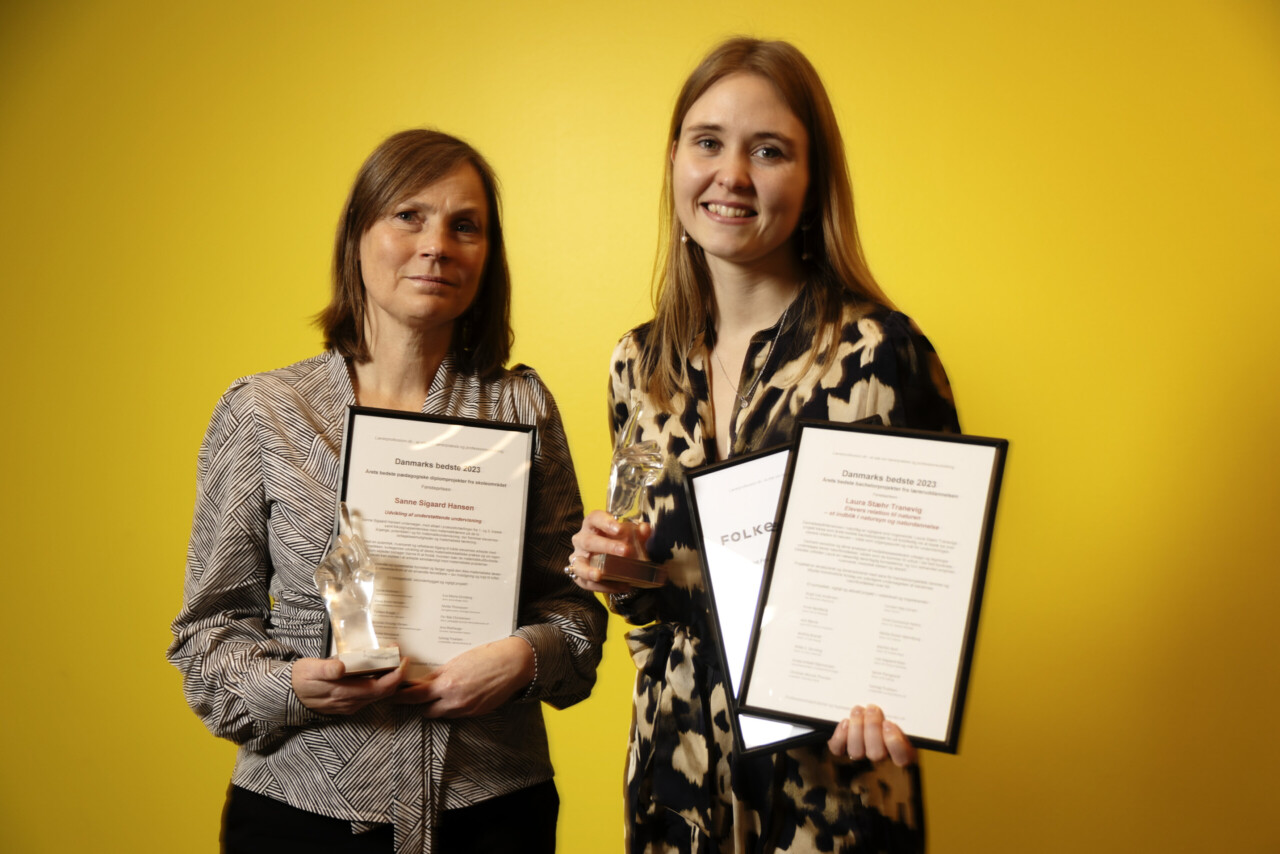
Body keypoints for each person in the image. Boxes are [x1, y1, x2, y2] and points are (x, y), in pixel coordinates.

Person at [568, 38, 959, 853]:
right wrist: (627, 573)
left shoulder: (880, 354)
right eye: (708, 142)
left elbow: (920, 598)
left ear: (813, 179)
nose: (732, 175)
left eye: (769, 150)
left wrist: (894, 693)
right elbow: (653, 618)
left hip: (828, 794)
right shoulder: (637, 364)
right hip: (674, 780)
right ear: (674, 158)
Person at [168, 129, 607, 854]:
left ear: (487, 256)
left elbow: (576, 615)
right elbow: (207, 637)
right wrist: (295, 687)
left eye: (465, 226)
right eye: (409, 215)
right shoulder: (264, 412)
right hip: (302, 816)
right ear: (357, 238)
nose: (438, 244)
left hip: (496, 812)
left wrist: (525, 658)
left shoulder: (522, 409)